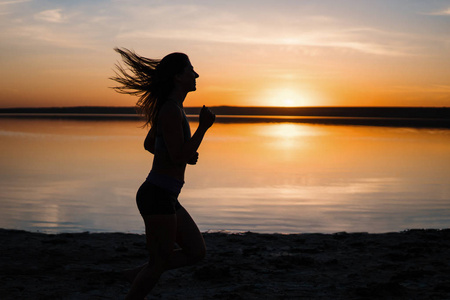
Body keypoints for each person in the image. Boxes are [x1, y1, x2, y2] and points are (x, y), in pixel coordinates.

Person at [111, 48, 215, 299]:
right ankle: (139, 281)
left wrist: (184, 153)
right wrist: (203, 128)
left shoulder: (172, 109)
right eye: (191, 70)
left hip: (166, 195)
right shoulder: (170, 110)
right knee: (159, 262)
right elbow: (177, 155)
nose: (196, 74)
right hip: (156, 194)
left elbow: (151, 145)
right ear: (178, 77)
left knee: (196, 252)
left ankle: (136, 273)